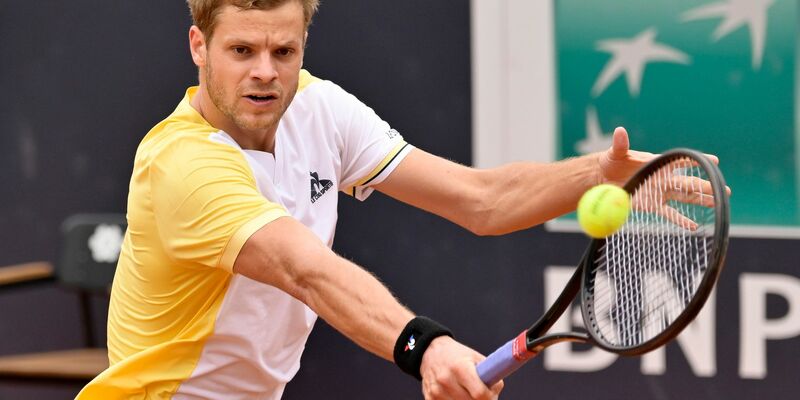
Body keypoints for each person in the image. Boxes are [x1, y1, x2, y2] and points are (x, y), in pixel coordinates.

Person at [77, 1, 659, 399]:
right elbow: (306, 271)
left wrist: (595, 172)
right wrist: (424, 347)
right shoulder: (182, 164)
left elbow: (480, 200)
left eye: (284, 51)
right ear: (198, 46)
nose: (265, 74)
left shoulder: (318, 108)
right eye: (242, 51)